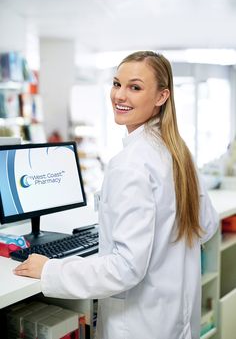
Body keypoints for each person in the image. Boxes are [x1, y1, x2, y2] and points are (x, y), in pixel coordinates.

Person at [14, 51, 219, 339]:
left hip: (139, 326)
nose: (120, 95)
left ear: (161, 97)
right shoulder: (177, 151)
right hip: (174, 319)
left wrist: (51, 270)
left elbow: (124, 269)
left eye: (135, 87)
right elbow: (206, 227)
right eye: (116, 84)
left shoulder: (131, 165)